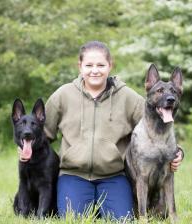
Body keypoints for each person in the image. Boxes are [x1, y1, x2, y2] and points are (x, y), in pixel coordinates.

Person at [19, 41, 183, 220]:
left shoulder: (127, 97)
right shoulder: (63, 95)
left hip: (114, 176)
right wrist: (25, 150)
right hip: (73, 175)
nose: (94, 70)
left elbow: (157, 122)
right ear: (80, 66)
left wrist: (178, 152)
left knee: (122, 220)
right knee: (74, 219)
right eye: (89, 65)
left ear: (110, 66)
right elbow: (43, 135)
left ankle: (107, 204)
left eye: (100, 65)